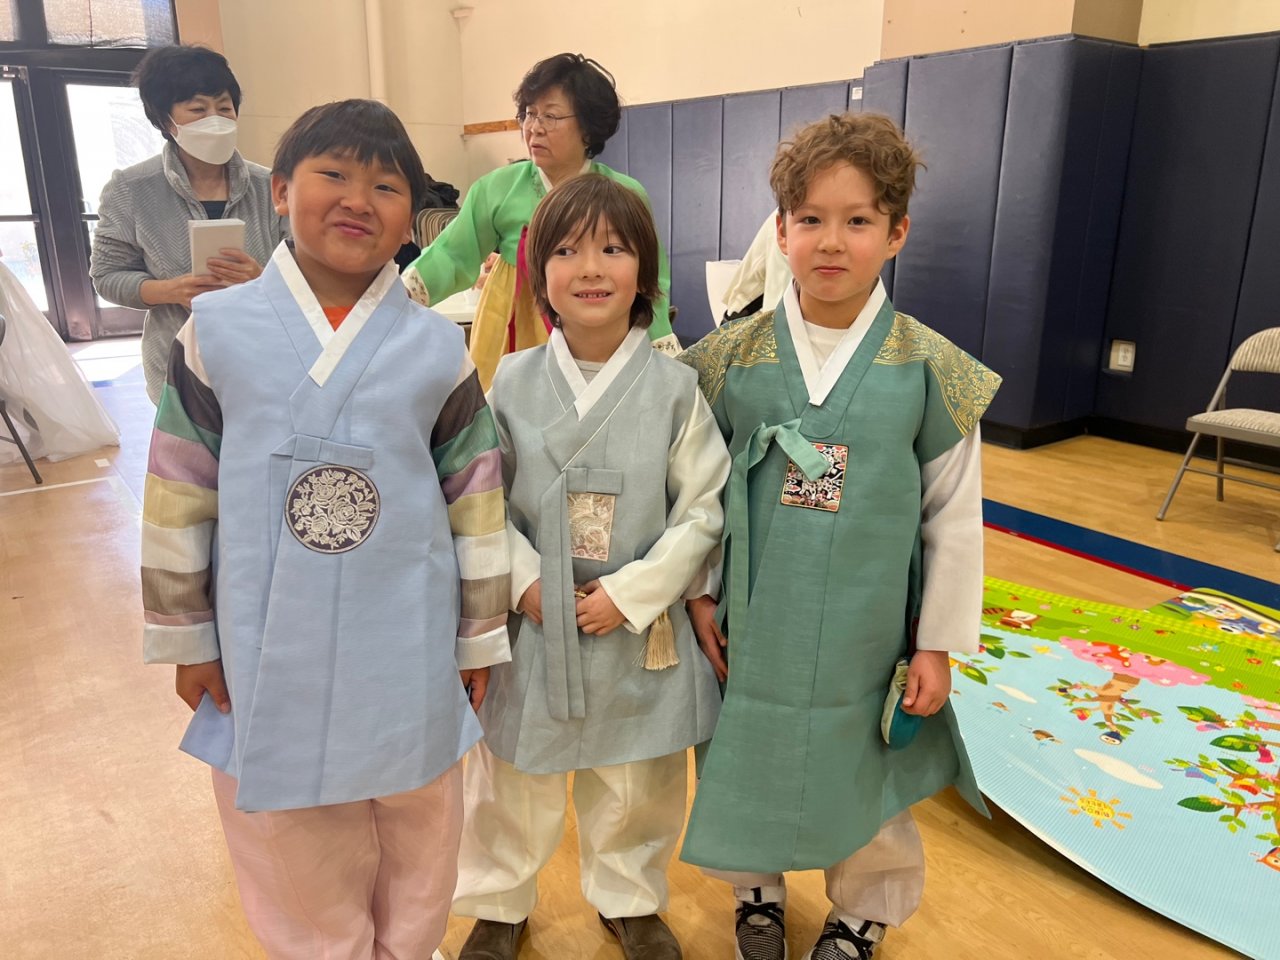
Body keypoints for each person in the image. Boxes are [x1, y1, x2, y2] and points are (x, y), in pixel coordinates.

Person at [139, 99, 510, 960]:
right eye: (333, 174)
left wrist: (479, 633)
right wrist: (188, 635)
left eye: (385, 186)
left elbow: (477, 497)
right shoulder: (217, 330)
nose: (357, 200)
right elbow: (178, 489)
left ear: (411, 216)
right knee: (290, 836)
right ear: (281, 189)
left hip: (408, 635)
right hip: (264, 638)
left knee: (421, 821)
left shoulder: (434, 348)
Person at [678, 113, 1002, 960]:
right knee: (744, 750)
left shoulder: (932, 369)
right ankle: (755, 894)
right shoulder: (726, 360)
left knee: (866, 765)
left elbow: (952, 518)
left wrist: (935, 644)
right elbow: (697, 492)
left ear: (897, 233)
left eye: (858, 220)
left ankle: (863, 910)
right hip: (753, 617)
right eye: (810, 219)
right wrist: (699, 593)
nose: (831, 241)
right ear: (780, 231)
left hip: (871, 627)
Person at [454, 174, 730, 960]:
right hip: (536, 620)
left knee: (637, 780)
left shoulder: (676, 388)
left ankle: (630, 899)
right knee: (514, 776)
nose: (591, 269)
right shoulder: (510, 382)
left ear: (645, 270)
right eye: (567, 251)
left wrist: (631, 593)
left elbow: (702, 510)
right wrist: (525, 585)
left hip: (636, 626)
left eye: (613, 249)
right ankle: (499, 903)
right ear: (538, 272)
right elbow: (482, 500)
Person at [402, 53, 680, 390]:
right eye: (529, 114)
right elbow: (453, 253)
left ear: (588, 127)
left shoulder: (624, 194)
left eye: (550, 116)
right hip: (512, 327)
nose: (534, 128)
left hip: (598, 323)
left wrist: (660, 343)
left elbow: (650, 277)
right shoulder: (497, 188)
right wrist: (400, 297)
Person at [90, 44, 286, 403]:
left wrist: (261, 280)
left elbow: (304, 269)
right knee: (185, 441)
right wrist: (171, 290)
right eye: (198, 109)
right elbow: (107, 276)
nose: (216, 120)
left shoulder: (270, 186)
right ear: (167, 121)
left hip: (263, 358)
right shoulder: (130, 188)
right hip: (177, 364)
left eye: (224, 108)